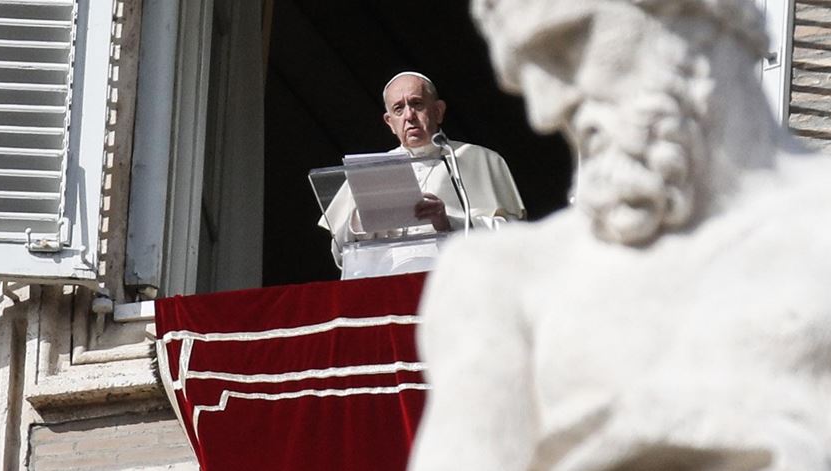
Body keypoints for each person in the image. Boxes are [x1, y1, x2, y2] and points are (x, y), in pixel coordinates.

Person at [409, 1, 831, 470]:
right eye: (525, 73)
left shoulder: (817, 223)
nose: (545, 111)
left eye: (570, 42)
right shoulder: (501, 279)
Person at [320, 72, 525, 272]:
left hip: (457, 278)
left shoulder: (479, 158)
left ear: (438, 111)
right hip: (390, 287)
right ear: (390, 122)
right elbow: (339, 256)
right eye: (398, 109)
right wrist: (358, 220)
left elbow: (514, 237)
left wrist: (448, 222)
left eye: (417, 104)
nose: (409, 116)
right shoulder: (370, 170)